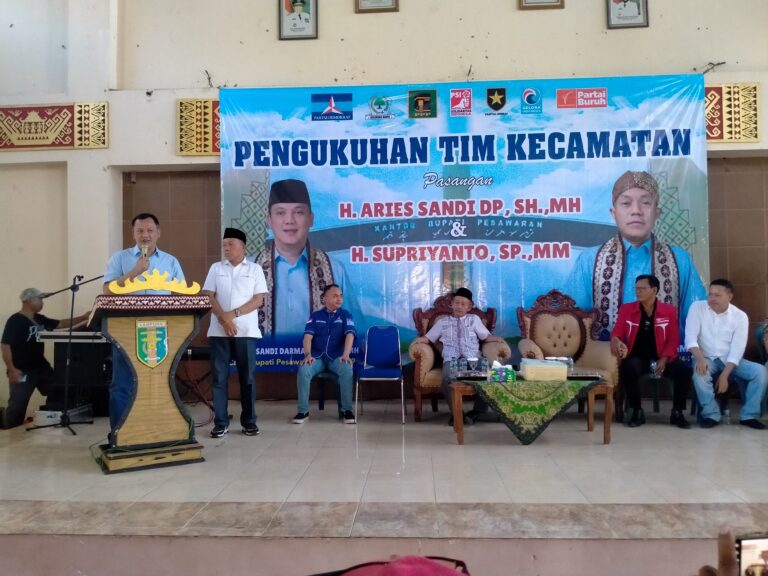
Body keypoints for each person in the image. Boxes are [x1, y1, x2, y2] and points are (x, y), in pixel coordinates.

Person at [572, 170, 706, 340]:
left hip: (664, 355)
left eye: (645, 203)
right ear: (614, 213)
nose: (636, 211)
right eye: (626, 203)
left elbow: (699, 322)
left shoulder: (679, 260)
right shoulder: (589, 261)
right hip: (607, 356)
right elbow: (573, 321)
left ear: (657, 212)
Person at [102, 212, 185, 437]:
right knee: (123, 384)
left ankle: (157, 431)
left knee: (160, 384)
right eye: (140, 231)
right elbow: (107, 291)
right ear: (133, 234)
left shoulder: (170, 262)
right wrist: (134, 272)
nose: (145, 235)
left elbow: (182, 296)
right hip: (125, 331)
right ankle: (120, 434)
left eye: (150, 230)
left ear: (158, 233)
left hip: (161, 331)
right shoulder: (119, 259)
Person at [253, 179, 359, 337]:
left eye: (299, 212)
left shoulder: (334, 269)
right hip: (261, 353)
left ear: (311, 219)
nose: (289, 220)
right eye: (280, 213)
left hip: (319, 353)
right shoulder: (250, 268)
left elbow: (353, 326)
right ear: (269, 220)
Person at [202, 228, 268, 438]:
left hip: (246, 332)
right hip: (219, 332)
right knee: (219, 379)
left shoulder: (255, 269)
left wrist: (232, 315)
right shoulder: (216, 268)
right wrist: (224, 320)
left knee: (247, 379)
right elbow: (208, 296)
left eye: (231, 244)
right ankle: (220, 423)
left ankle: (249, 421)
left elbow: (258, 300)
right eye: (224, 245)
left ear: (243, 247)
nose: (226, 248)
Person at [412, 287, 505, 424]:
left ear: (469, 307)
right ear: (451, 304)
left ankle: (477, 412)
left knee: (496, 374)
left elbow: (486, 336)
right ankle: (457, 413)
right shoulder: (442, 322)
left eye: (463, 304)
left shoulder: (474, 320)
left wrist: (497, 339)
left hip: (473, 359)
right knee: (447, 377)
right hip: (452, 360)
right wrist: (419, 341)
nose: (459, 306)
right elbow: (428, 338)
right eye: (456, 303)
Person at [610, 274, 692, 429]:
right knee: (628, 368)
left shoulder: (668, 311)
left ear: (654, 290)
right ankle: (636, 411)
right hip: (638, 356)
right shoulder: (627, 309)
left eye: (642, 288)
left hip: (662, 356)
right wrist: (615, 339)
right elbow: (617, 332)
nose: (638, 291)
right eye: (636, 288)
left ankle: (677, 412)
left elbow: (673, 339)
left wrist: (664, 359)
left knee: (683, 370)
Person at [684, 278, 767, 429]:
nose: (712, 298)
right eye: (710, 294)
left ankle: (749, 415)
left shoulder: (740, 316)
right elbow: (690, 339)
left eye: (717, 295)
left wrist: (724, 375)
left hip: (730, 360)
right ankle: (711, 414)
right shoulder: (697, 308)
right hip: (705, 357)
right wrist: (700, 359)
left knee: (760, 372)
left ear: (729, 297)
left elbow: (737, 350)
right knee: (700, 374)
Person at [1, 288, 89, 428]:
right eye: (40, 299)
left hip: (41, 367)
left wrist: (84, 317)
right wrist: (12, 369)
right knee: (17, 405)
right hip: (22, 370)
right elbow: (5, 345)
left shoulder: (39, 319)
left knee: (58, 390)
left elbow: (61, 324)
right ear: (28, 300)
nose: (42, 303)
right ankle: (10, 432)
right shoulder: (15, 320)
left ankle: (50, 419)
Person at [292, 284, 357, 425]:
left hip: (336, 357)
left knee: (347, 369)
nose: (339, 299)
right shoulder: (315, 316)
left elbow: (350, 335)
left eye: (341, 296)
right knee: (304, 369)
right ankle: (303, 411)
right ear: (325, 298)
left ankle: (347, 411)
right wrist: (308, 355)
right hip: (317, 357)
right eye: (335, 296)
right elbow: (307, 337)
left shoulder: (345, 315)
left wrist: (346, 354)